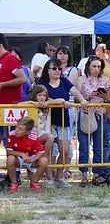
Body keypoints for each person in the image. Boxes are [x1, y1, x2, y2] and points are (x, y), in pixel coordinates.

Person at [36, 59, 83, 187]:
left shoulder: (64, 81)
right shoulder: (42, 82)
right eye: (54, 68)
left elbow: (74, 91)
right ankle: (49, 178)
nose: (57, 71)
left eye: (59, 68)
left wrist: (83, 100)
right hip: (47, 121)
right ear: (48, 70)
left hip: (63, 119)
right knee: (48, 151)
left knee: (65, 150)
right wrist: (60, 102)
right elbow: (43, 98)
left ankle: (59, 176)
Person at [76, 56, 110, 184]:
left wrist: (103, 95)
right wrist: (88, 97)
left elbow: (109, 99)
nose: (96, 69)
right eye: (94, 66)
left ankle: (96, 174)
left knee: (98, 147)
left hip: (101, 114)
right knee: (84, 146)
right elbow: (76, 99)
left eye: (99, 66)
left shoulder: (105, 80)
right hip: (86, 114)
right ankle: (84, 174)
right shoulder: (81, 79)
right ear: (88, 66)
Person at [5, 117, 48, 192]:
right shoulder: (11, 134)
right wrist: (21, 154)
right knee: (10, 158)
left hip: (31, 158)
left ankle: (34, 183)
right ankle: (14, 183)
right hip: (18, 159)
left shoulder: (33, 137)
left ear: (28, 132)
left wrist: (32, 160)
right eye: (17, 127)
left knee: (44, 160)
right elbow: (8, 151)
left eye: (20, 129)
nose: (17, 130)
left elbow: (41, 152)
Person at [0, 35, 27, 130]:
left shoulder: (10, 58)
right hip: (2, 110)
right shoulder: (2, 60)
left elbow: (23, 78)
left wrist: (3, 84)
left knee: (9, 141)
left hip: (10, 111)